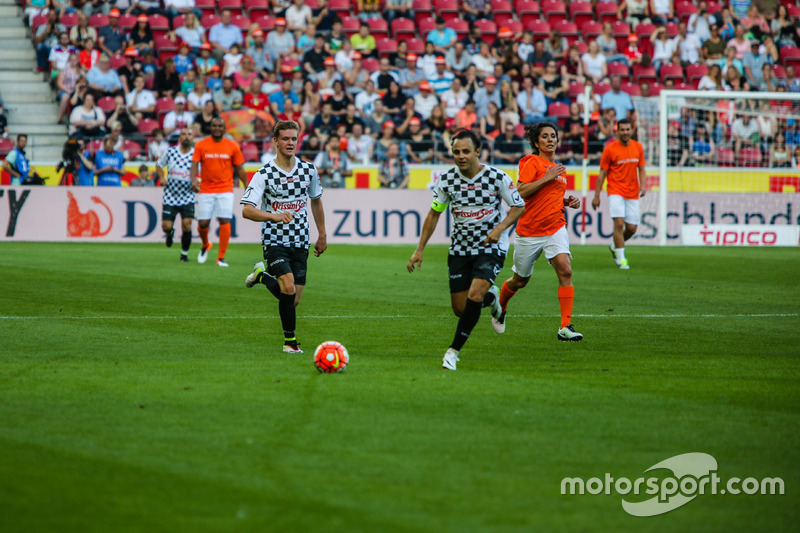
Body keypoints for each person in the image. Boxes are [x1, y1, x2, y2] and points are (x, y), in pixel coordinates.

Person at [406, 129, 524, 370]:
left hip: (490, 247)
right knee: (461, 309)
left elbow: (518, 206)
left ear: (478, 152)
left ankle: (452, 352)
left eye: (466, 151)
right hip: (459, 249)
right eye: (456, 152)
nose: (461, 156)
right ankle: (493, 299)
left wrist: (500, 228)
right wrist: (419, 249)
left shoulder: (496, 177)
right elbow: (434, 213)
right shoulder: (447, 180)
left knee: (474, 294)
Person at [242, 120, 328, 354]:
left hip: (301, 240)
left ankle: (261, 276)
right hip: (274, 240)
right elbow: (247, 210)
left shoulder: (308, 170)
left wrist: (322, 234)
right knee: (288, 287)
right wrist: (274, 216)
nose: (290, 143)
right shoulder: (264, 174)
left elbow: (316, 201)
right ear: (275, 142)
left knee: (292, 299)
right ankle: (290, 343)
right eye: (285, 139)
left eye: (293, 139)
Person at [494, 122, 583, 340]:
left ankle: (565, 327)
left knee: (566, 270)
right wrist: (547, 177)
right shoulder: (531, 162)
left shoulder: (559, 169)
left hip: (555, 226)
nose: (550, 139)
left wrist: (565, 201)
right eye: (545, 136)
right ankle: (501, 305)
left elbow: (547, 196)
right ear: (536, 142)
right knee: (520, 280)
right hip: (530, 230)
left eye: (553, 136)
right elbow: (521, 191)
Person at [190, 117, 248, 267]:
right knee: (203, 223)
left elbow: (240, 168)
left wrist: (246, 186)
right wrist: (193, 180)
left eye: (219, 126)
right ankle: (205, 244)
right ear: (210, 127)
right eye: (214, 126)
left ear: (224, 128)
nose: (216, 128)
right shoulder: (201, 144)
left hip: (225, 188)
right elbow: (194, 164)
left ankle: (220, 258)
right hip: (206, 188)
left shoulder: (232, 146)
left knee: (224, 220)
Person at [591, 119, 646, 270]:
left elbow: (641, 168)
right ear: (617, 131)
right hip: (615, 190)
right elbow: (602, 173)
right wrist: (596, 195)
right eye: (622, 130)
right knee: (619, 224)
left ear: (631, 130)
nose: (625, 132)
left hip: (632, 192)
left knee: (632, 228)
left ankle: (614, 245)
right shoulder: (610, 149)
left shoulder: (638, 147)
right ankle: (622, 260)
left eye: (627, 129)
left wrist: (643, 185)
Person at [157, 127, 196, 262]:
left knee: (186, 224)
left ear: (192, 138)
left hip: (187, 195)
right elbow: (158, 165)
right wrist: (162, 178)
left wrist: (197, 183)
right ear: (180, 138)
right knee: (166, 226)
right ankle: (170, 232)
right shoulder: (171, 152)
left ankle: (184, 254)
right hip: (170, 195)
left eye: (189, 134)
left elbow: (202, 174)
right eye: (183, 134)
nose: (186, 136)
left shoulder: (196, 155)